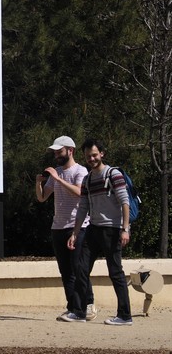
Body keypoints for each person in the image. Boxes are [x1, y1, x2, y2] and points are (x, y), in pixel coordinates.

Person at [61, 138, 133, 325]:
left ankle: (125, 316)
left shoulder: (113, 174)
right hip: (93, 228)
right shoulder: (87, 179)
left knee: (115, 272)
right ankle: (78, 312)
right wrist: (75, 233)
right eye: (88, 156)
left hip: (112, 229)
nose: (91, 159)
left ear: (102, 153)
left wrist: (125, 229)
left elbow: (124, 202)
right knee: (80, 268)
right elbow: (83, 207)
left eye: (94, 155)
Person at [35, 136, 97, 321]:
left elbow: (79, 192)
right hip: (58, 226)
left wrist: (57, 178)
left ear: (70, 150)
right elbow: (42, 197)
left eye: (59, 151)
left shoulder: (81, 170)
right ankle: (73, 308)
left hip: (77, 227)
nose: (56, 155)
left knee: (79, 269)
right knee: (66, 271)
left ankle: (87, 305)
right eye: (55, 152)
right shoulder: (58, 172)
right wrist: (38, 183)